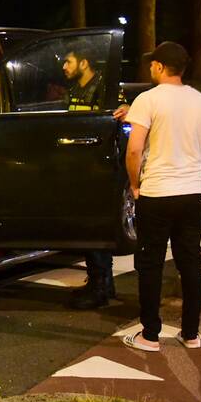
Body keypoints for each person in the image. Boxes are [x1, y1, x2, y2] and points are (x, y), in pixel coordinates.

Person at [122, 41, 201, 351]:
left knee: (151, 262)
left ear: (158, 66)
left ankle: (150, 334)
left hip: (157, 192)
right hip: (192, 194)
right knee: (190, 262)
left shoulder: (147, 100)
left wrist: (134, 183)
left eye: (151, 64)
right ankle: (191, 333)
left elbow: (134, 149)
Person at [61, 50, 128, 310]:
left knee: (94, 226)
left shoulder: (105, 89)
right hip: (79, 165)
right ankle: (102, 283)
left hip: (99, 167)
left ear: (84, 62)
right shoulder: (74, 89)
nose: (64, 66)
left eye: (69, 61)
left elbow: (118, 123)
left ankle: (100, 287)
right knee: (87, 226)